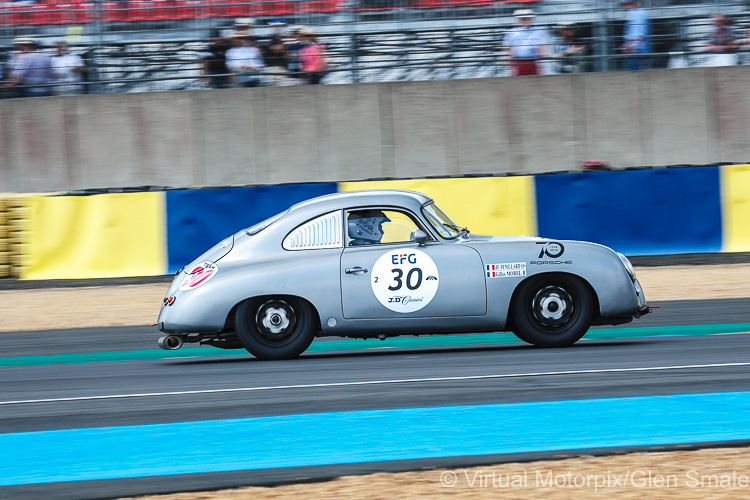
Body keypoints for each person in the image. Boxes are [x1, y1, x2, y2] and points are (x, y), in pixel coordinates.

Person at [501, 9, 551, 77]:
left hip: (533, 61)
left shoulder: (538, 31)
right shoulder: (512, 32)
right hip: (517, 61)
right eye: (523, 19)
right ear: (518, 20)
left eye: (527, 19)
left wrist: (543, 56)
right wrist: (506, 56)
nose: (526, 21)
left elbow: (543, 47)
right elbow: (506, 48)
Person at [620, 1, 652, 70]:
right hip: (638, 48)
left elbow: (638, 32)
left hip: (636, 49)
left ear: (635, 4)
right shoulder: (640, 13)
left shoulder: (636, 14)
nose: (624, 7)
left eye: (627, 4)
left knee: (632, 71)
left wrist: (629, 46)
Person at [262, 19, 289, 86]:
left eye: (280, 26)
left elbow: (280, 49)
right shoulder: (270, 38)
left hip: (281, 67)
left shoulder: (283, 38)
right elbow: (276, 49)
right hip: (271, 68)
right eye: (275, 26)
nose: (278, 28)